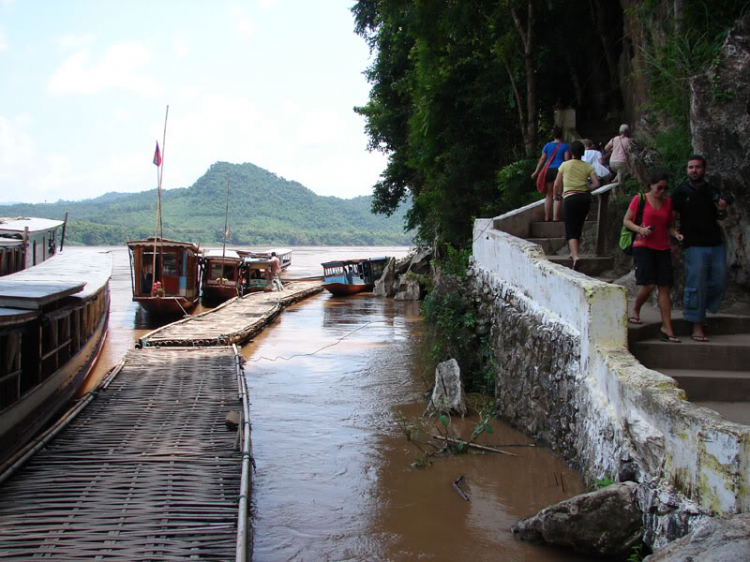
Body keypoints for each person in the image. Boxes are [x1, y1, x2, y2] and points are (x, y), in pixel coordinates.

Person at [672, 155, 734, 342]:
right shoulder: (681, 192)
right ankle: (697, 324)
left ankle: (700, 309)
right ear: (687, 170)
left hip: (715, 241)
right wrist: (674, 236)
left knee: (720, 280)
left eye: (697, 167)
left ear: (704, 169)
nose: (694, 170)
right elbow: (672, 217)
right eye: (691, 167)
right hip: (693, 243)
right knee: (696, 283)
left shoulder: (712, 190)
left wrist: (722, 208)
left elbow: (720, 216)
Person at [623, 171, 684, 342]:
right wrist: (640, 229)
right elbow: (627, 220)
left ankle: (667, 327)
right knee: (649, 284)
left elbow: (669, 226)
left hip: (662, 247)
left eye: (665, 188)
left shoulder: (668, 203)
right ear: (651, 185)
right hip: (643, 245)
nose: (662, 191)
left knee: (664, 286)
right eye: (659, 188)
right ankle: (635, 309)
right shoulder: (639, 199)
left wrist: (676, 234)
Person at [553, 140, 600, 270]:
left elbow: (557, 184)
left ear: (572, 152)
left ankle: (575, 256)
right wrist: (586, 189)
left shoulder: (564, 165)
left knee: (570, 227)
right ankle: (573, 253)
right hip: (584, 198)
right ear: (583, 152)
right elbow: (596, 184)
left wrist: (556, 195)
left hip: (570, 198)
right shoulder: (587, 166)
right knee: (578, 226)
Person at [531, 126, 570, 222]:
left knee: (548, 194)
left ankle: (547, 217)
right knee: (557, 194)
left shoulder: (547, 145)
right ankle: (556, 217)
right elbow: (567, 160)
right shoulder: (565, 146)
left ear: (553, 135)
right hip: (559, 170)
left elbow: (542, 159)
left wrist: (536, 172)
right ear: (562, 135)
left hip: (548, 170)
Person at [604, 124, 632, 194]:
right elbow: (630, 152)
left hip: (612, 162)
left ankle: (614, 181)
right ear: (627, 131)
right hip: (621, 162)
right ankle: (622, 194)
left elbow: (606, 148)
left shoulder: (614, 139)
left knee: (620, 173)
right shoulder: (629, 141)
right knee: (621, 179)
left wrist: (613, 150)